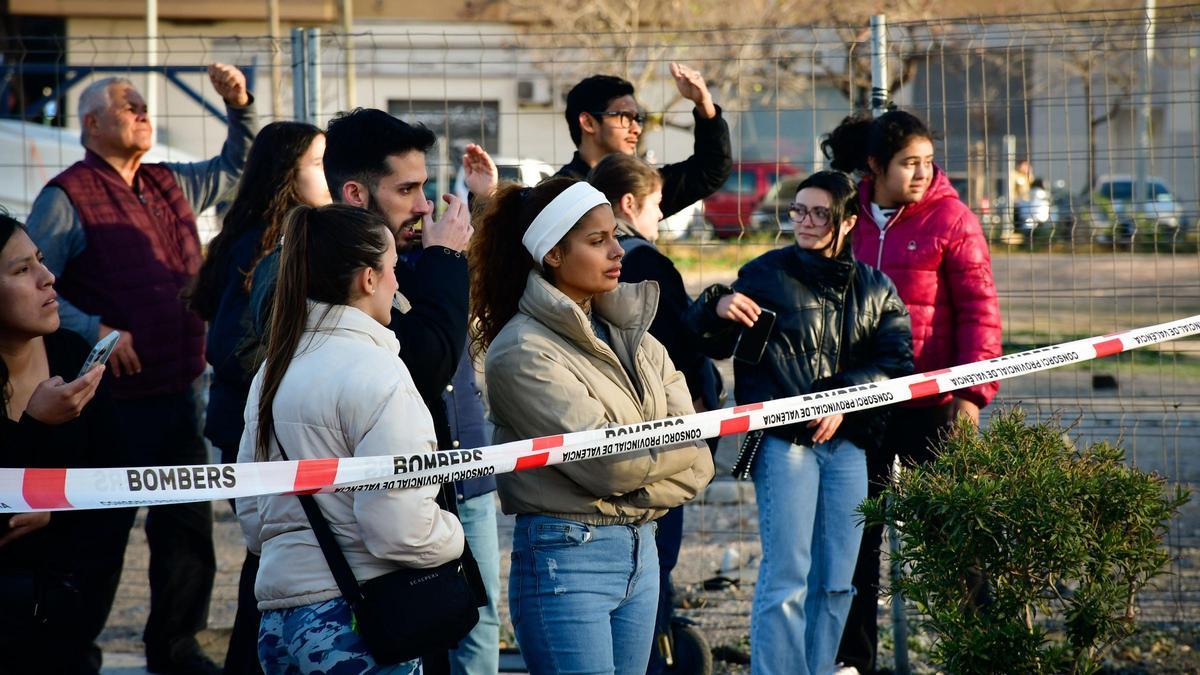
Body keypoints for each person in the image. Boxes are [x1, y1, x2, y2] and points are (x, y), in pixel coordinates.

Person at [247, 108, 498, 674]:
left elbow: (251, 505)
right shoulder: (319, 284)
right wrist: (451, 535)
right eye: (407, 188)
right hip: (362, 596)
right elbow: (426, 362)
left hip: (293, 602)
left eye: (426, 187)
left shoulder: (288, 358)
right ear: (356, 193)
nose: (424, 205)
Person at [24, 64, 256, 675]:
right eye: (128, 105)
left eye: (143, 105)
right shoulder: (66, 196)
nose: (142, 111)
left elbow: (239, 171)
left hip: (178, 392)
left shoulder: (169, 182)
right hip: (110, 402)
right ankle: (70, 653)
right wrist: (92, 327)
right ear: (92, 124)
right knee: (98, 538)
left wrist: (239, 109)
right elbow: (23, 280)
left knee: (187, 534)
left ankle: (176, 647)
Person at [470, 177, 715, 674]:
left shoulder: (634, 333)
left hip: (642, 552)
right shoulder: (521, 352)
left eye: (616, 235)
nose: (618, 251)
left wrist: (644, 469)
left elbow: (701, 459)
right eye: (597, 240)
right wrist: (663, 455)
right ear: (553, 254)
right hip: (567, 559)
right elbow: (611, 467)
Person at [685, 171, 912, 675]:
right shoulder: (766, 274)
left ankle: (818, 667)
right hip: (785, 444)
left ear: (848, 222)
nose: (805, 222)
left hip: (849, 445)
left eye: (819, 213)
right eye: (798, 211)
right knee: (788, 575)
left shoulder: (877, 288)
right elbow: (707, 339)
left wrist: (844, 398)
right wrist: (716, 304)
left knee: (837, 580)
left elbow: (899, 362)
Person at [236, 203, 464, 674]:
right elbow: (398, 528)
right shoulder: (378, 372)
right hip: (356, 620)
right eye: (394, 270)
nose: (398, 284)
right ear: (367, 278)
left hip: (279, 624)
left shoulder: (272, 371)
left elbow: (253, 519)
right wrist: (454, 536)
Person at [822, 110, 1003, 674]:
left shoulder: (953, 220)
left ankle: (979, 656)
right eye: (909, 163)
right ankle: (853, 663)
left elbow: (980, 311)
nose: (922, 173)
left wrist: (971, 396)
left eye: (928, 161)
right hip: (863, 407)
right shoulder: (846, 213)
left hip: (935, 408)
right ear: (875, 166)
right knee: (855, 539)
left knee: (955, 538)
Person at [185, 120, 330, 675]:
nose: (330, 174)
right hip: (254, 432)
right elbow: (231, 346)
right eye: (319, 163)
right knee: (270, 562)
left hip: (258, 425)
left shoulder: (289, 235)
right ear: (286, 176)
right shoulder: (266, 244)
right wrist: (285, 390)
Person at [586, 153, 724, 674]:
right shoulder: (646, 265)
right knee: (653, 567)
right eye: (657, 205)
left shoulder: (596, 266)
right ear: (628, 204)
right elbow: (679, 346)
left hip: (619, 436)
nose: (660, 216)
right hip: (660, 440)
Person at [0, 213, 128, 673]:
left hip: (65, 615)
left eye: (41, 261)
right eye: (20, 270)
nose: (47, 278)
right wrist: (34, 423)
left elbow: (117, 489)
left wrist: (59, 513)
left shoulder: (72, 355)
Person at [555, 64, 732, 219]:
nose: (636, 129)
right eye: (624, 117)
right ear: (588, 123)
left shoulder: (641, 187)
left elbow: (711, 170)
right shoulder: (560, 196)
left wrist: (704, 104)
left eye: (638, 119)